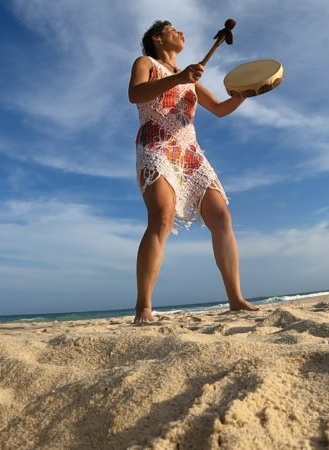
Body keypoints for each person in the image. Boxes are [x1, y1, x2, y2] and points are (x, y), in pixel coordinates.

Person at [128, 20, 259, 323]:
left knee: (222, 217)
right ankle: (143, 307)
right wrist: (179, 78)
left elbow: (221, 109)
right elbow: (135, 94)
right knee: (160, 218)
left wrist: (244, 92)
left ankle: (236, 299)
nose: (181, 33)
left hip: (190, 153)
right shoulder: (146, 62)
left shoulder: (189, 78)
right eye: (174, 29)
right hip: (157, 145)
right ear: (158, 38)